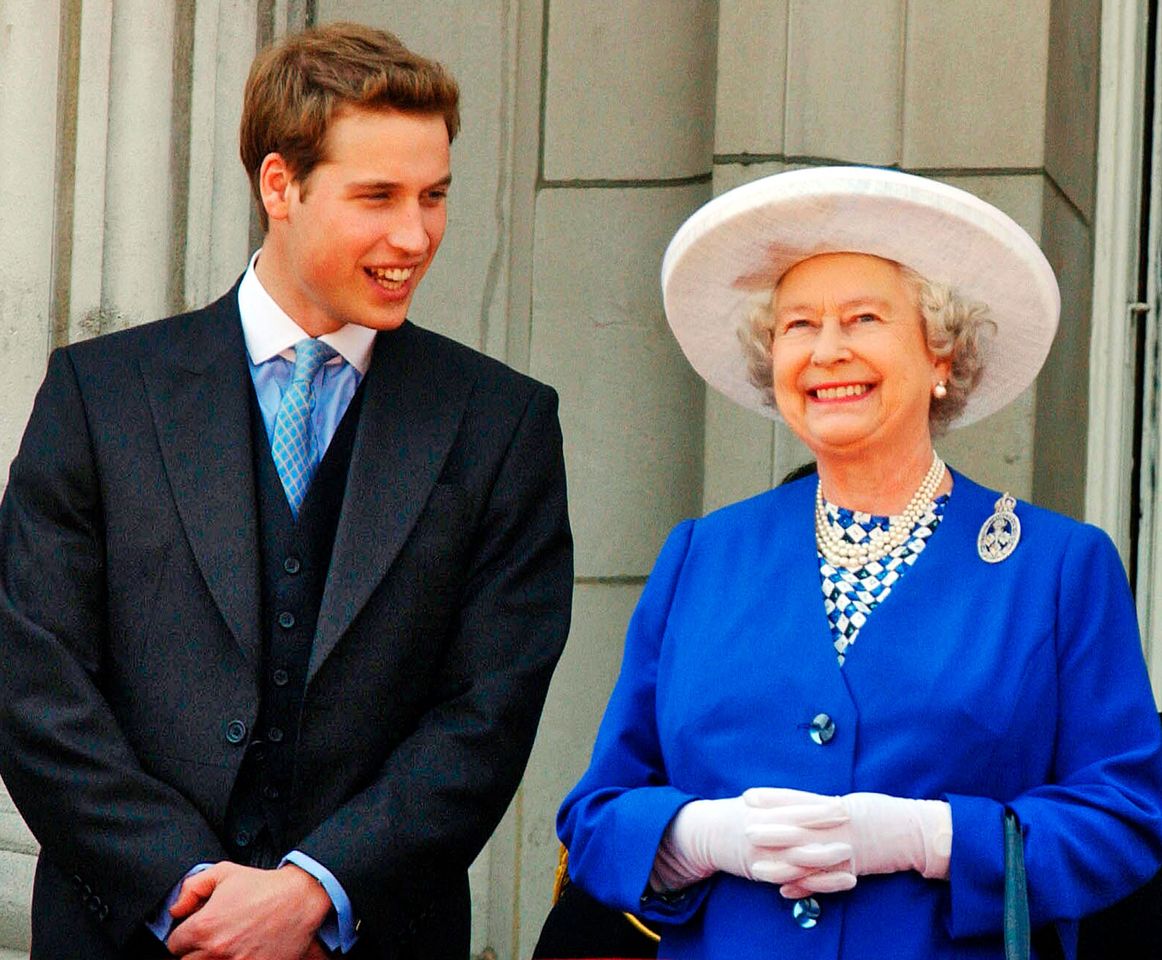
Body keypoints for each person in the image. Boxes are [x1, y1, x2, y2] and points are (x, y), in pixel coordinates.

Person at [0, 21, 572, 960]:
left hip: (374, 938)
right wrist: (187, 895)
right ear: (281, 185)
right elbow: (34, 683)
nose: (415, 234)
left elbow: (490, 710)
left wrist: (313, 893)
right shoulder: (98, 396)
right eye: (378, 195)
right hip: (122, 936)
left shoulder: (501, 422)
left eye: (434, 196)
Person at [556, 166, 1162, 959]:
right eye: (799, 326)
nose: (828, 351)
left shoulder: (1056, 568)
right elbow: (596, 816)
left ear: (941, 355)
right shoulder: (702, 556)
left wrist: (931, 836)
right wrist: (699, 836)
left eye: (864, 318)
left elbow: (1124, 818)